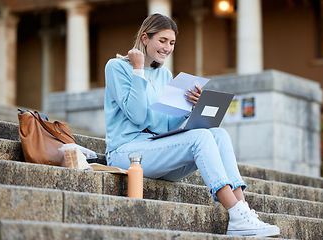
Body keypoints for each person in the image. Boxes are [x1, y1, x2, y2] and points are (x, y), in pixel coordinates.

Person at [104, 13, 280, 237]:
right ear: (145, 38)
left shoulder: (164, 74)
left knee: (217, 134)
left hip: (156, 150)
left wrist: (190, 107)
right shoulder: (116, 67)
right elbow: (137, 116)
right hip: (126, 153)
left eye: (172, 43)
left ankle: (243, 210)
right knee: (200, 138)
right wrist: (138, 70)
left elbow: (166, 127)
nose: (168, 48)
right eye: (163, 41)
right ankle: (235, 214)